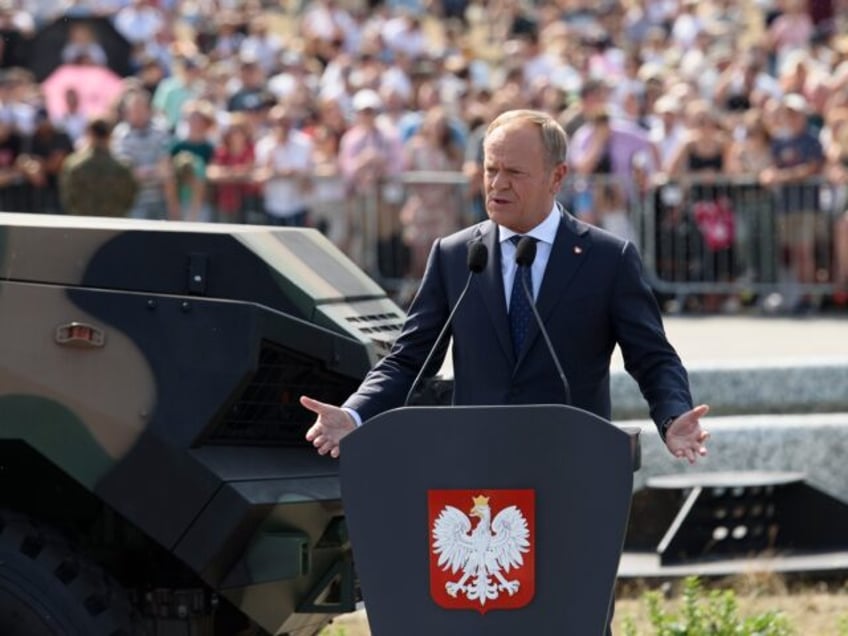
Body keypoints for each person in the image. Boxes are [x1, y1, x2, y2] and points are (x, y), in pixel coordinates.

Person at [301, 109, 710, 465]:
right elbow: (408, 361)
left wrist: (673, 417)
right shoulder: (454, 254)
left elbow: (652, 358)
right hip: (478, 467)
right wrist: (353, 413)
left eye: (514, 173)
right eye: (490, 170)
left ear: (557, 177)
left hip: (570, 462)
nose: (497, 184)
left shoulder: (608, 259)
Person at [59, 117, 138, 217]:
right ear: (110, 136)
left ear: (89, 134)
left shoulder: (73, 165)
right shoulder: (123, 168)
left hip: (83, 225)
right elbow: (130, 199)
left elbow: (67, 199)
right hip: (114, 226)